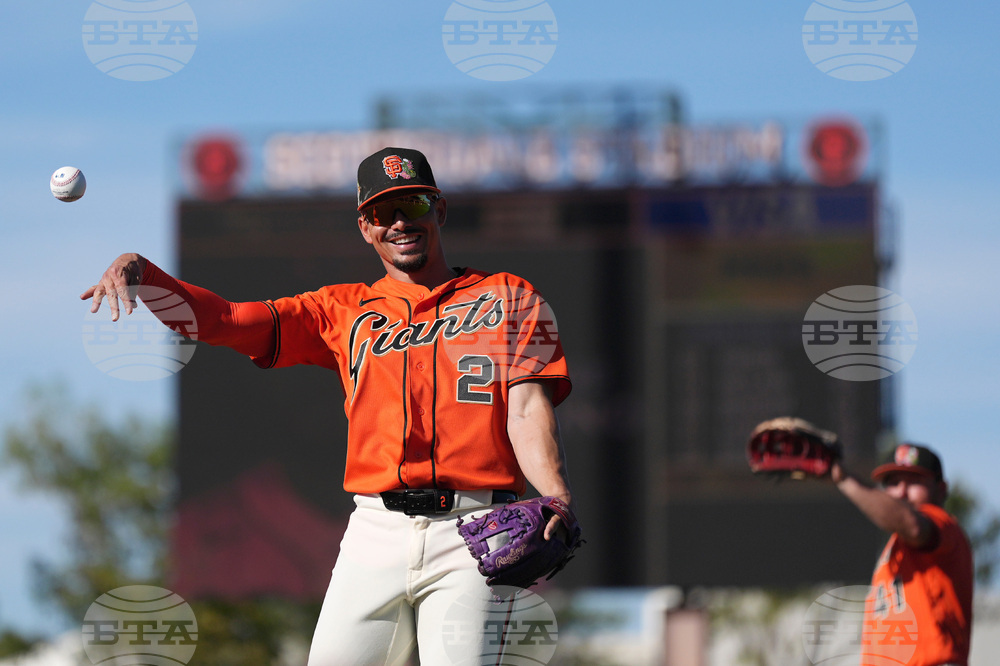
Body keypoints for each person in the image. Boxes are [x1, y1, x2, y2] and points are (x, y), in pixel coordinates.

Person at [82, 147, 577, 666]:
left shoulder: (511, 297)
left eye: (413, 204)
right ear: (365, 227)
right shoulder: (339, 310)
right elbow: (225, 320)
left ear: (440, 210)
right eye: (383, 211)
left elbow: (527, 409)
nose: (400, 222)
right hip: (374, 531)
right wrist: (147, 275)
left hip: (475, 527)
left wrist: (558, 496)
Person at [831, 443, 973, 666]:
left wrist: (844, 480)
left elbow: (913, 527)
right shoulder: (892, 551)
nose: (902, 492)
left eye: (915, 481)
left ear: (941, 489)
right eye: (893, 483)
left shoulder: (943, 526)